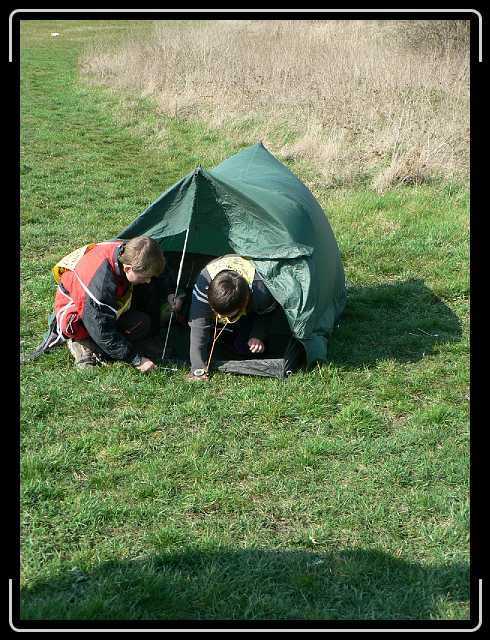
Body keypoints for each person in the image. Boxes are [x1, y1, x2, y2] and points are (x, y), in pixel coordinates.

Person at [52, 236, 172, 372]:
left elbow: (156, 268)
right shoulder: (100, 286)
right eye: (145, 277)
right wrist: (135, 359)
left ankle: (120, 346)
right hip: (80, 313)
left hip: (109, 302)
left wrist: (170, 293)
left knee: (142, 323)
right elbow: (101, 328)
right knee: (88, 330)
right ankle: (82, 344)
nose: (148, 280)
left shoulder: (130, 251)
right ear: (127, 269)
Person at [187, 255, 277, 381]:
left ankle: (235, 328)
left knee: (244, 348)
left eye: (225, 315)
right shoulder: (204, 283)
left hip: (250, 303)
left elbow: (266, 314)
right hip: (222, 293)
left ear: (244, 303)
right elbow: (198, 326)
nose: (220, 317)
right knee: (200, 333)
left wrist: (258, 335)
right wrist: (198, 368)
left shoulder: (262, 292)